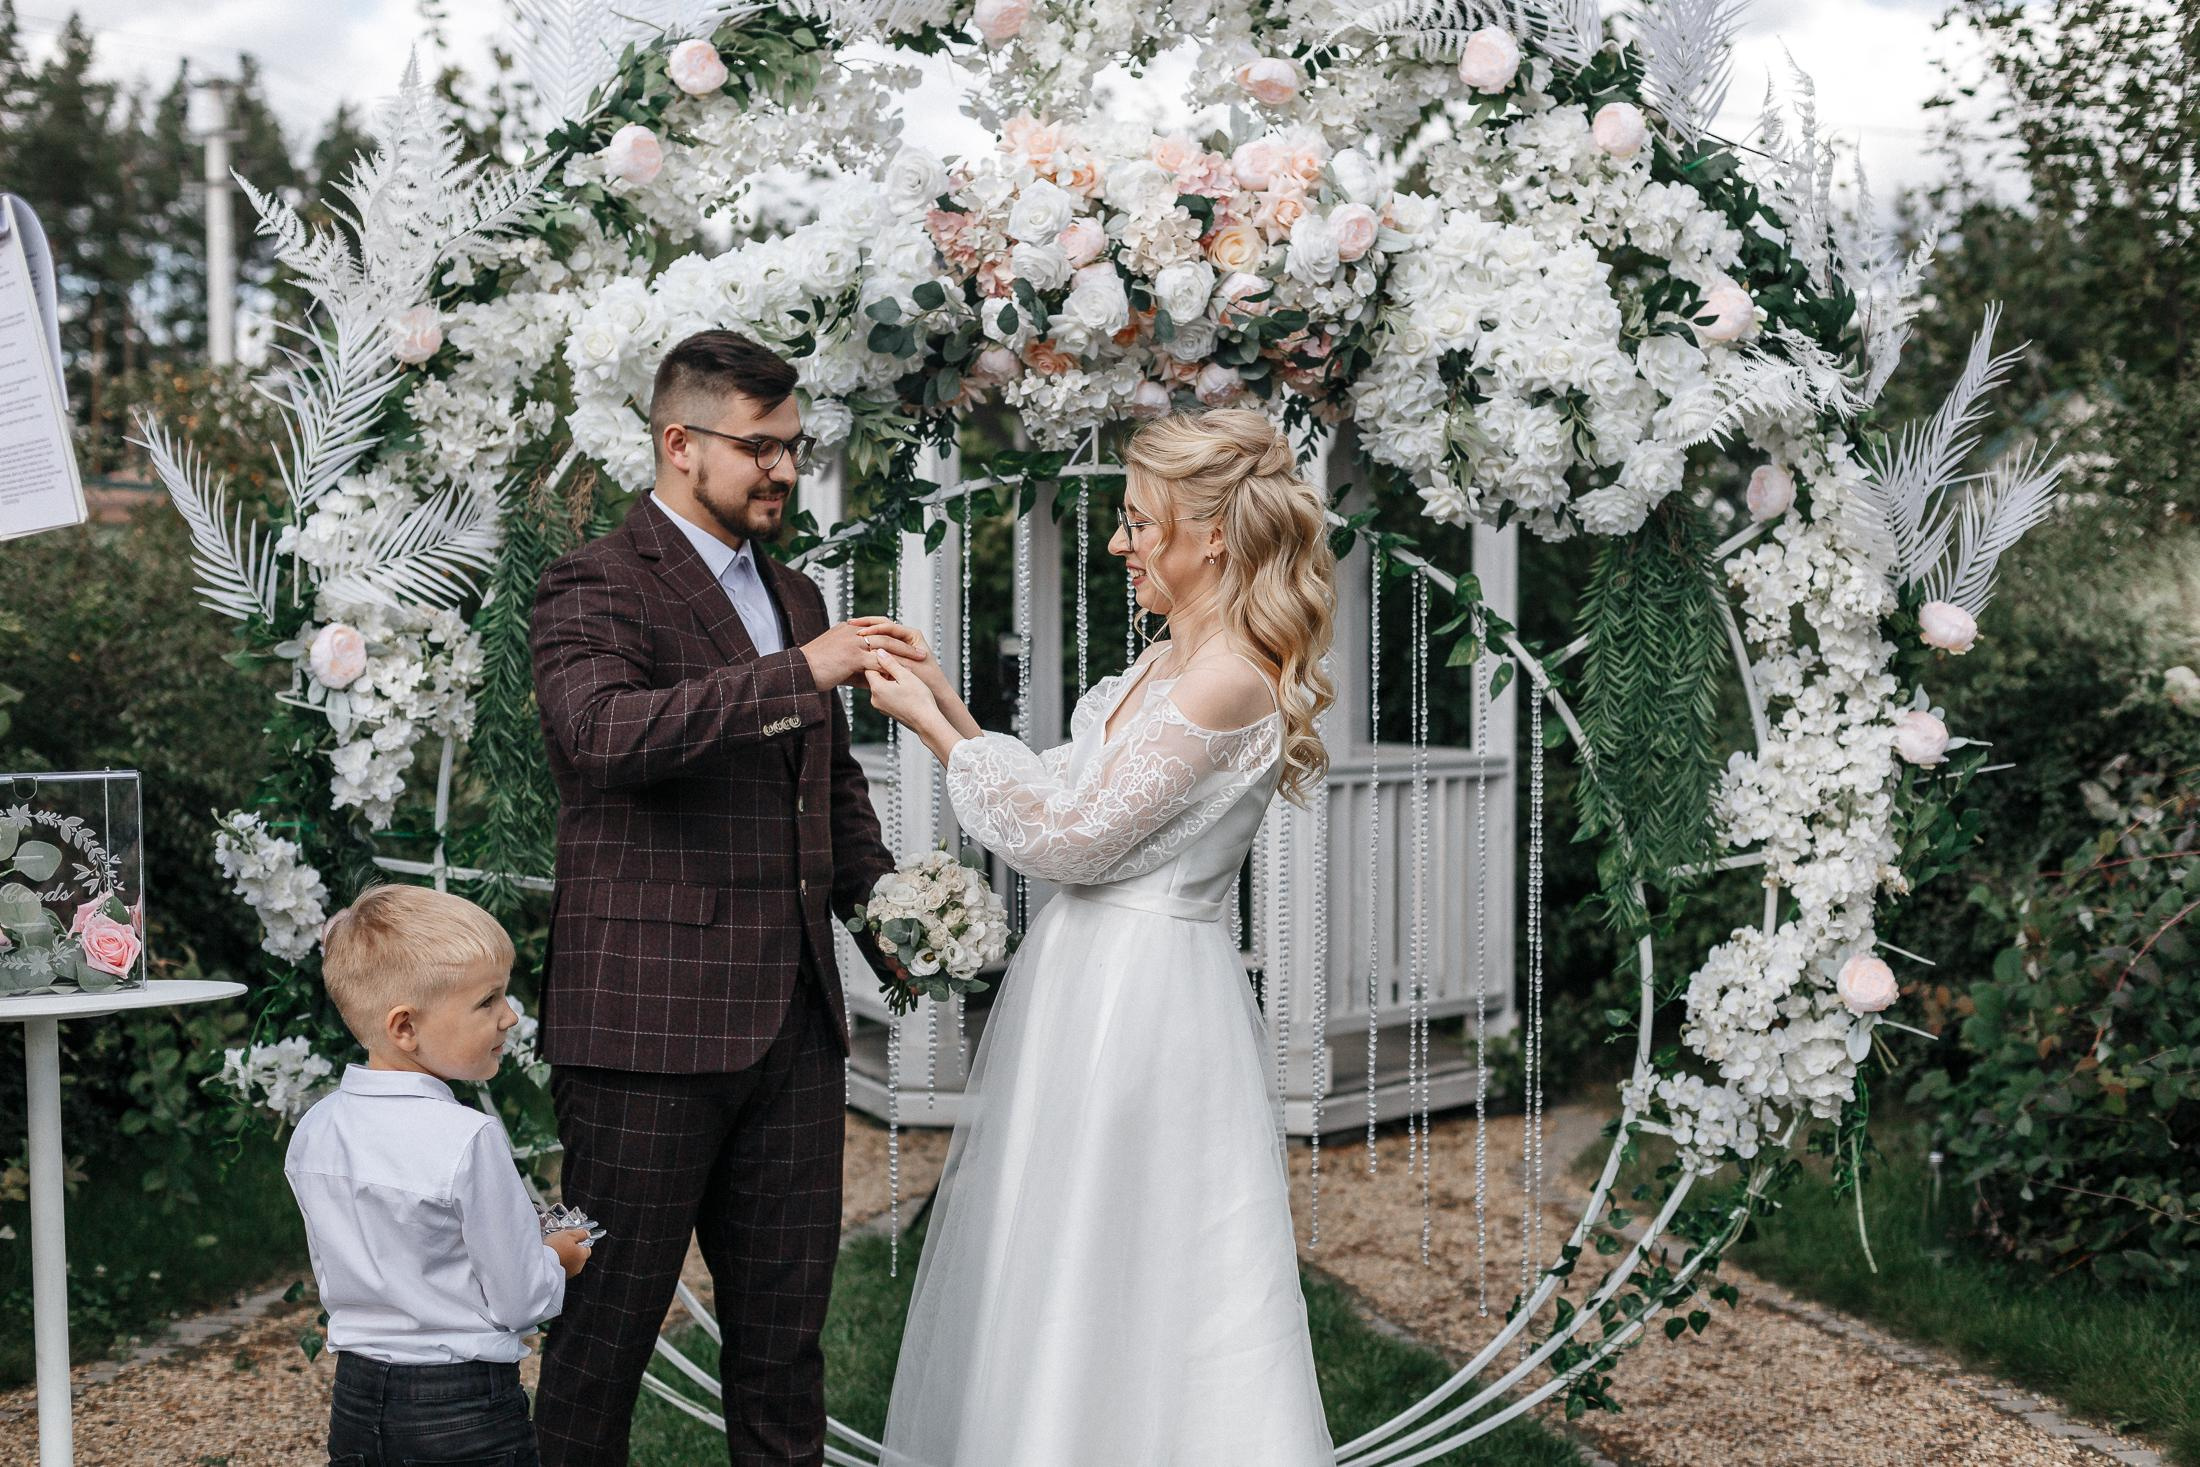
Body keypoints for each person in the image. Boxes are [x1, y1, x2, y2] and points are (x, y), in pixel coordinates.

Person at [865, 408, 1340, 1464]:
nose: (1120, 544)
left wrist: (934, 734)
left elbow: (1068, 843)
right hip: (1088, 980)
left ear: (1210, 534)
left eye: (1137, 522)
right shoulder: (1165, 662)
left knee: (1125, 1248)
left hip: (1144, 997)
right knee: (1060, 1246)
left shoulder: (1226, 679)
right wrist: (944, 696)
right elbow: (1070, 791)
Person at [528, 328, 921, 1466]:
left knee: (783, 1356)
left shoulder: (799, 597)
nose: (785, 472)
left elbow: (827, 789)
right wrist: (799, 674)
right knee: (601, 1342)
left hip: (794, 1030)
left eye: (794, 448)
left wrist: (890, 911)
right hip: (646, 1032)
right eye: (760, 449)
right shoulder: (594, 581)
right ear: (678, 442)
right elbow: (601, 737)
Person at [285, 883, 591, 1467]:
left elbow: (344, 1269)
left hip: (354, 1401)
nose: (511, 1015)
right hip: (464, 1409)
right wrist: (556, 1259)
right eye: (487, 1002)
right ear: (405, 1027)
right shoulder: (467, 1138)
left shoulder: (316, 1129)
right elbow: (520, 1299)